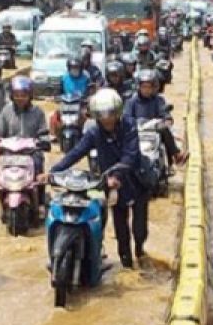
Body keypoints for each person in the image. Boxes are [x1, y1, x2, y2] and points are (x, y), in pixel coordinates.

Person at [43, 89, 147, 268]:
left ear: (118, 112)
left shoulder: (129, 126)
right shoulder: (93, 133)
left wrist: (117, 174)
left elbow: (130, 156)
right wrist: (53, 172)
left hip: (136, 180)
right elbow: (76, 153)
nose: (107, 119)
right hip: (112, 184)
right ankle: (127, 263)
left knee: (139, 228)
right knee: (121, 228)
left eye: (111, 114)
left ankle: (140, 250)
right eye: (102, 115)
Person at [125, 69, 187, 166]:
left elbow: (165, 113)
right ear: (139, 87)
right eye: (144, 87)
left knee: (165, 129)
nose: (146, 90)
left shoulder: (158, 100)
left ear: (154, 88)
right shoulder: (131, 102)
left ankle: (176, 155)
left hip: (155, 129)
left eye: (149, 87)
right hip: (137, 131)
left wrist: (167, 119)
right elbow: (126, 117)